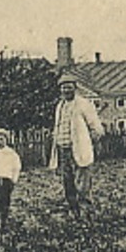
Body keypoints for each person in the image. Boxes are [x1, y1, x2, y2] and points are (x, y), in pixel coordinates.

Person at [49, 72, 103, 219]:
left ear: (75, 88)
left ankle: (87, 212)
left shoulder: (83, 104)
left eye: (69, 87)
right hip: (63, 149)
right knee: (68, 181)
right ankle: (74, 211)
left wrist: (92, 142)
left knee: (83, 182)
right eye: (63, 88)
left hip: (79, 149)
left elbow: (96, 127)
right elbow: (58, 126)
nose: (66, 90)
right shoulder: (60, 106)